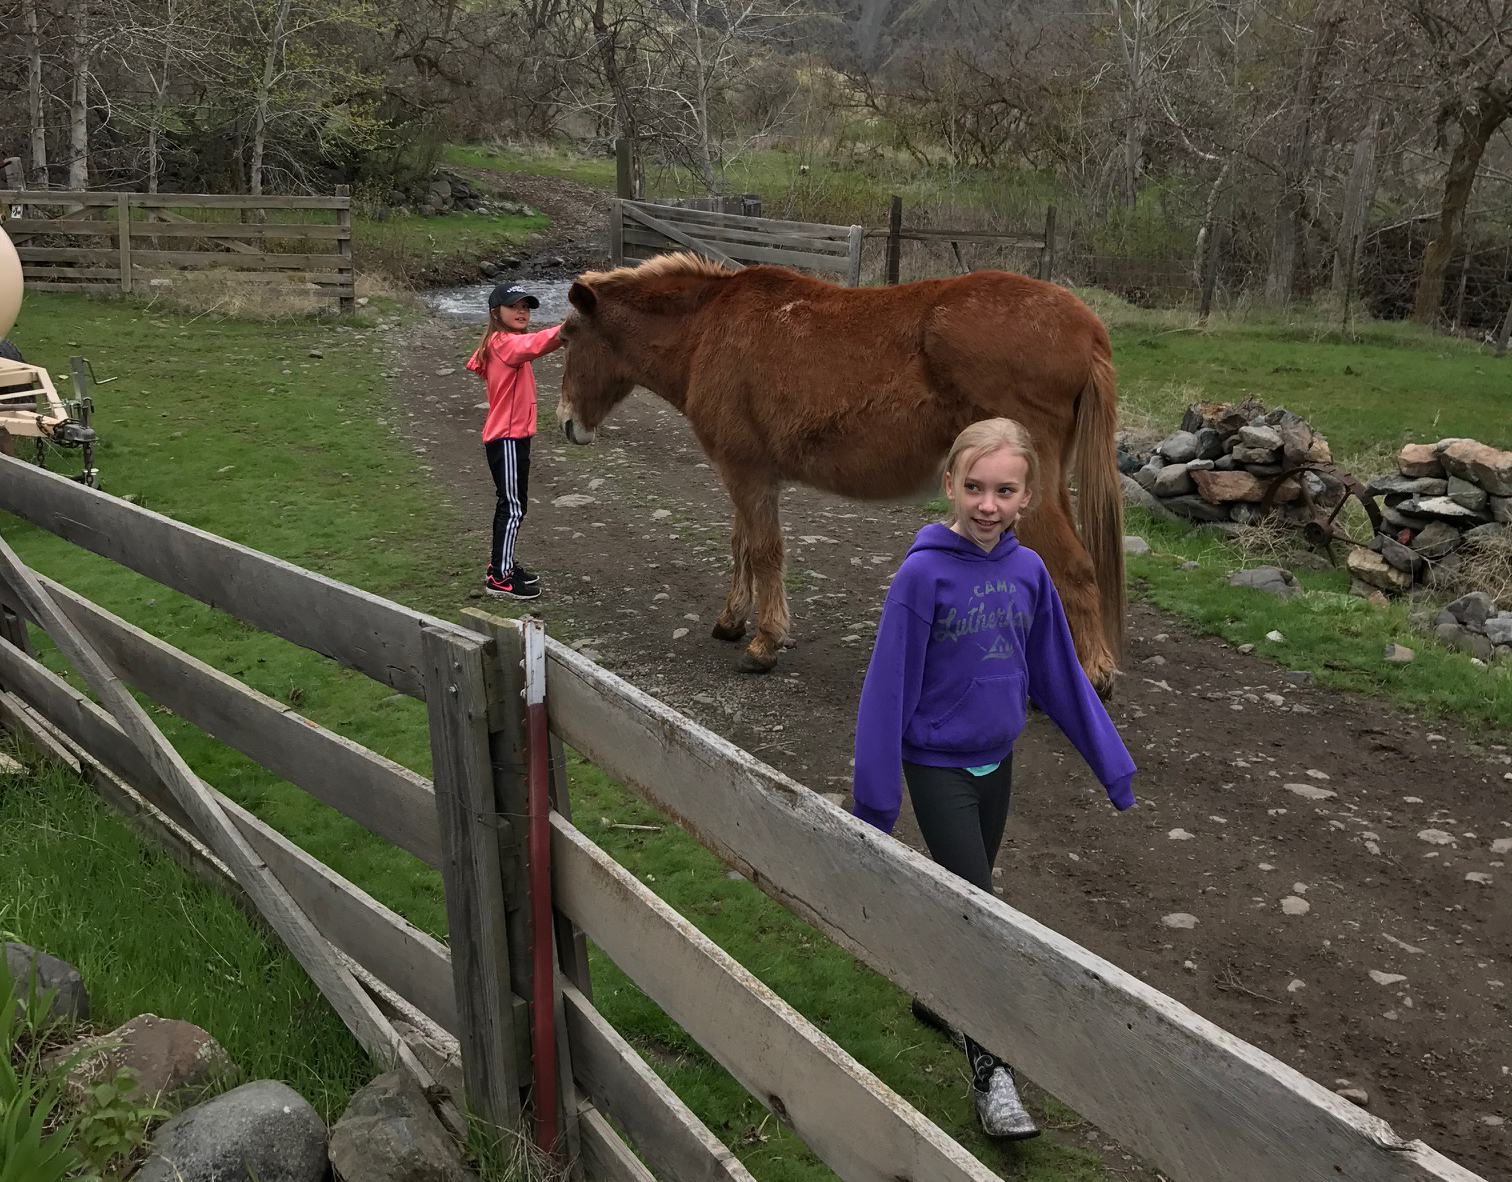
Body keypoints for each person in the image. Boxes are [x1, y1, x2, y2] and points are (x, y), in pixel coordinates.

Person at [851, 416, 1137, 1141]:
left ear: (1028, 495)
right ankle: (993, 1072)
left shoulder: (1029, 572)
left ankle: (943, 998)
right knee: (986, 913)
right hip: (936, 763)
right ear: (949, 484)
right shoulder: (923, 574)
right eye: (973, 487)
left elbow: (1061, 677)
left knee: (968, 899)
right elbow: (887, 690)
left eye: (1004, 490)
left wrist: (1112, 764)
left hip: (996, 761)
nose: (986, 504)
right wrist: (874, 805)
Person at [467, 283, 563, 600]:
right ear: (497, 313)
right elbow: (539, 343)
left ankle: (501, 564)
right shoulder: (504, 344)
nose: (522, 311)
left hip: (514, 437)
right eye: (514, 306)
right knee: (512, 506)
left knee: (512, 505)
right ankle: (500, 577)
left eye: (526, 306)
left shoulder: (500, 343)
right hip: (506, 438)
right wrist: (572, 326)